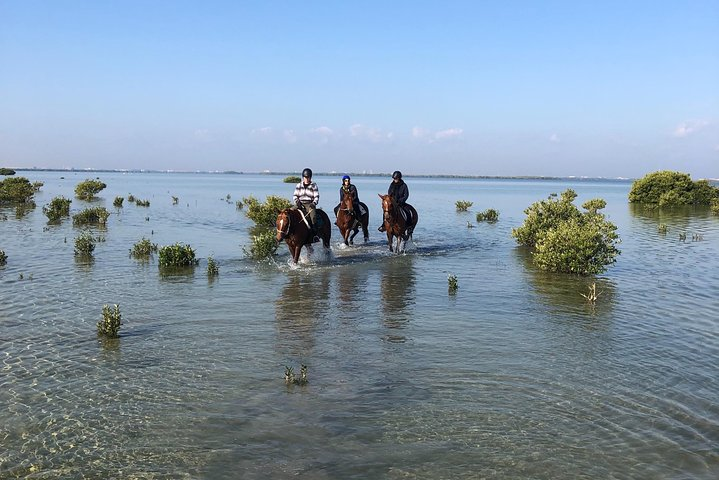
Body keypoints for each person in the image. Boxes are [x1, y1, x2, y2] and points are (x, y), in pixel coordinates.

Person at [292, 168, 320, 235]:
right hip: (300, 203)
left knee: (313, 217)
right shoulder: (299, 185)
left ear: (310, 177)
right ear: (303, 177)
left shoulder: (314, 185)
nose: (307, 179)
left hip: (309, 204)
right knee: (290, 211)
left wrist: (314, 203)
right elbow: (295, 195)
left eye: (308, 177)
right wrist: (297, 201)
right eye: (305, 177)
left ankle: (314, 233)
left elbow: (316, 196)